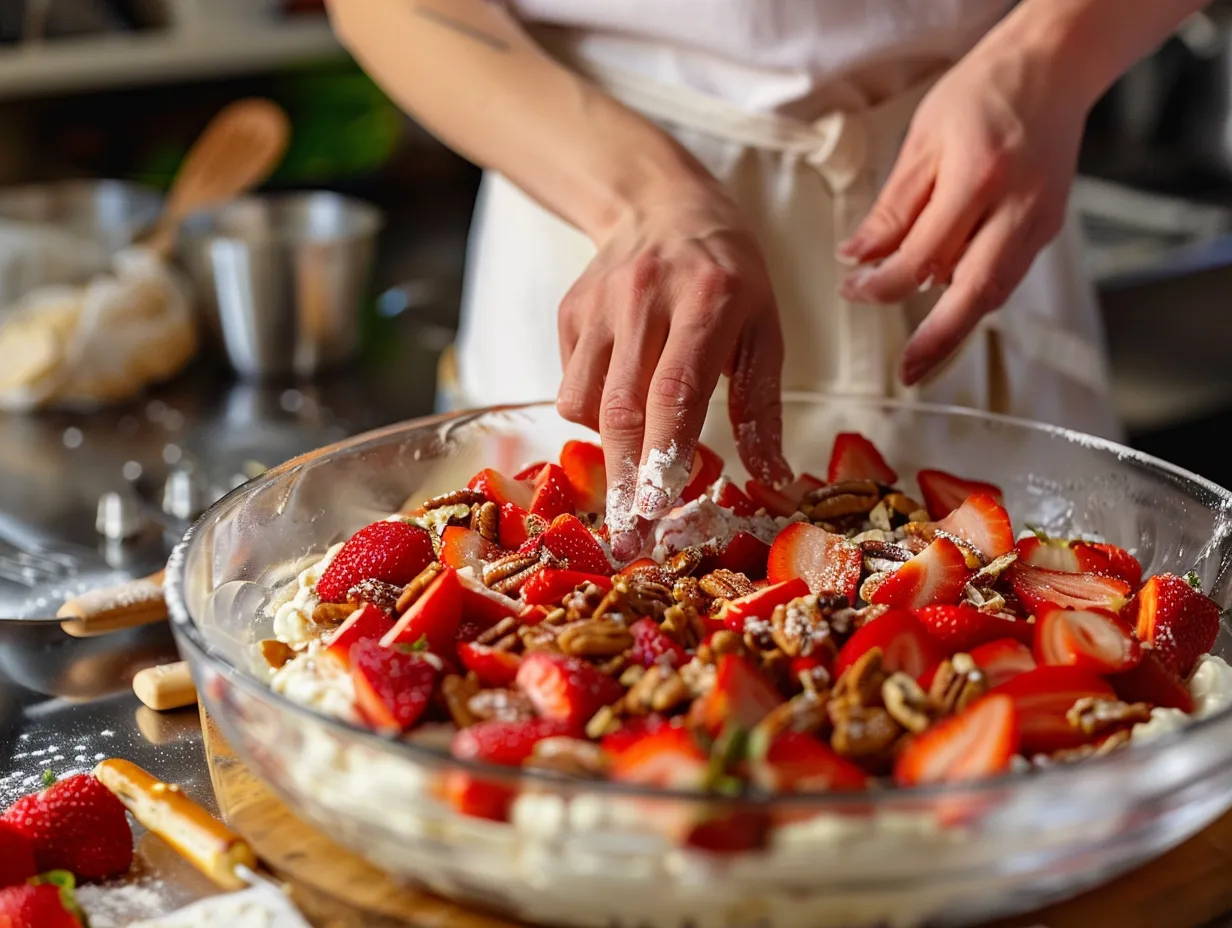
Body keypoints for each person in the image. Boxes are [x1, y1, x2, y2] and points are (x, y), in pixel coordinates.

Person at [325, 0, 1205, 559]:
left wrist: (1052, 56)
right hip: (603, 228)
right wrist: (642, 197)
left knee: (1064, 706)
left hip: (974, 183)